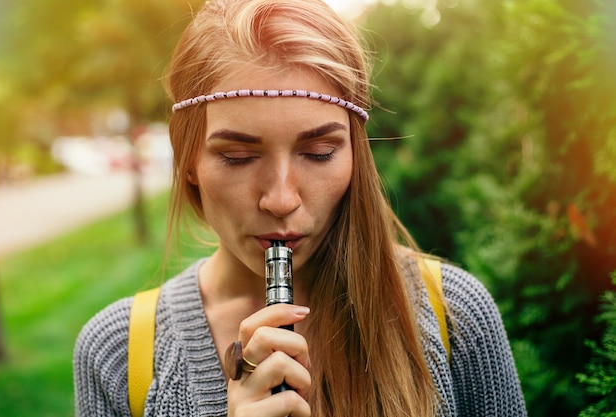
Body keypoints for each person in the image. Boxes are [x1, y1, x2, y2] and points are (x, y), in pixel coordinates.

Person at [73, 0, 527, 416]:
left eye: (319, 153)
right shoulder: (117, 352)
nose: (282, 199)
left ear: (355, 153)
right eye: (238, 157)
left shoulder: (453, 314)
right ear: (188, 159)